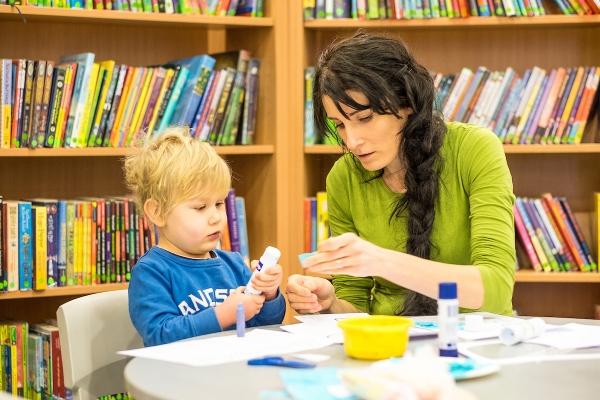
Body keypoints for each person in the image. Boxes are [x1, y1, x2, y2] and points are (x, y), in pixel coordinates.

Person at [287, 32, 515, 317]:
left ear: (406, 103)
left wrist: (380, 260)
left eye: (365, 118)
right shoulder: (344, 177)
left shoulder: (474, 149)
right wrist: (329, 302)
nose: (352, 141)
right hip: (389, 348)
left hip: (477, 343)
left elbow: (494, 291)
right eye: (340, 125)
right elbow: (354, 302)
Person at [125, 128, 286, 346]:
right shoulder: (151, 272)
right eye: (200, 207)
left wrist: (268, 296)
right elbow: (159, 336)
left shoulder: (234, 264)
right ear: (157, 212)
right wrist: (223, 315)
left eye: (219, 204)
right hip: (180, 377)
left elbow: (266, 327)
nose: (216, 218)